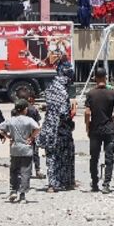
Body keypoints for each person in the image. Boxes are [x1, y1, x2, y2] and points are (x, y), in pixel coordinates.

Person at [39, 54, 77, 192]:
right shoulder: (63, 91)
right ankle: (62, 183)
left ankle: (52, 183)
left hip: (49, 129)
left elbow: (50, 107)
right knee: (63, 156)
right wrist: (71, 115)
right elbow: (63, 114)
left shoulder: (50, 88)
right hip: (59, 130)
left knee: (51, 158)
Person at [84, 67, 114, 193]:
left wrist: (87, 126)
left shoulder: (91, 94)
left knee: (94, 158)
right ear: (105, 77)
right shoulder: (112, 93)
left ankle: (95, 183)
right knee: (109, 158)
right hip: (108, 129)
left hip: (95, 130)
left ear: (95, 78)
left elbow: (87, 113)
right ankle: (106, 185)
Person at [0, 99, 40, 203]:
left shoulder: (11, 120)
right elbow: (37, 128)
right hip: (26, 148)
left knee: (14, 171)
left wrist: (7, 136)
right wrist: (31, 138)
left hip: (15, 148)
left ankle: (13, 190)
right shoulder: (29, 120)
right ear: (25, 109)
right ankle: (22, 195)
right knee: (25, 171)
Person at [17, 86, 44, 179]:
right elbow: (38, 123)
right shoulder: (33, 109)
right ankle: (38, 170)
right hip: (32, 135)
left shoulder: (15, 110)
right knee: (35, 153)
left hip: (20, 135)